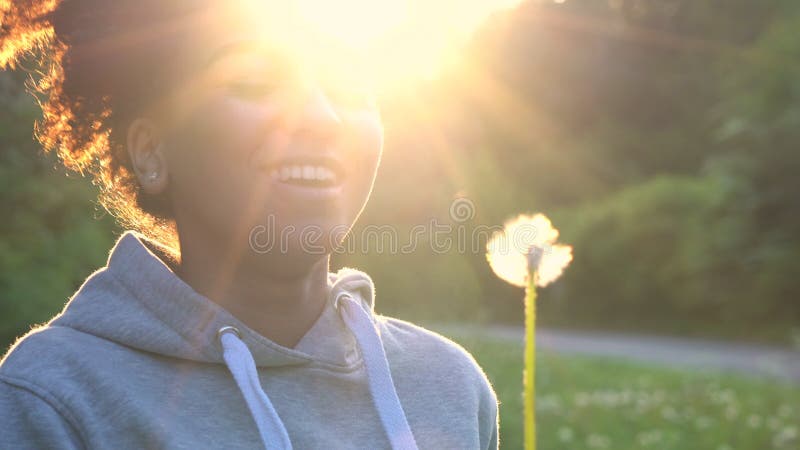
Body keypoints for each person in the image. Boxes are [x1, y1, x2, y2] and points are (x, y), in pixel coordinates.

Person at [0, 1, 498, 449]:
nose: (323, 118)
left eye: (350, 88)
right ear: (152, 150)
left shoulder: (451, 387)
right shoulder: (53, 399)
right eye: (253, 82)